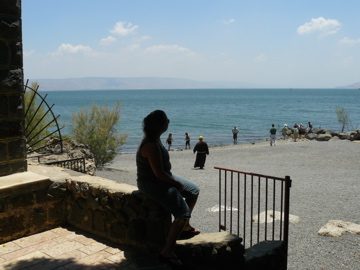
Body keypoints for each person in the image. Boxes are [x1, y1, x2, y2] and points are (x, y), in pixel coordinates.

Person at [136, 110, 200, 267]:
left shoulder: (155, 138)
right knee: (182, 212)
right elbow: (158, 173)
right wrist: (176, 183)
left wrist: (173, 179)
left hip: (162, 177)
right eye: (166, 120)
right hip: (151, 182)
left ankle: (184, 227)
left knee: (194, 190)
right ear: (160, 125)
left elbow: (161, 171)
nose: (168, 121)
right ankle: (167, 251)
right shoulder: (150, 144)